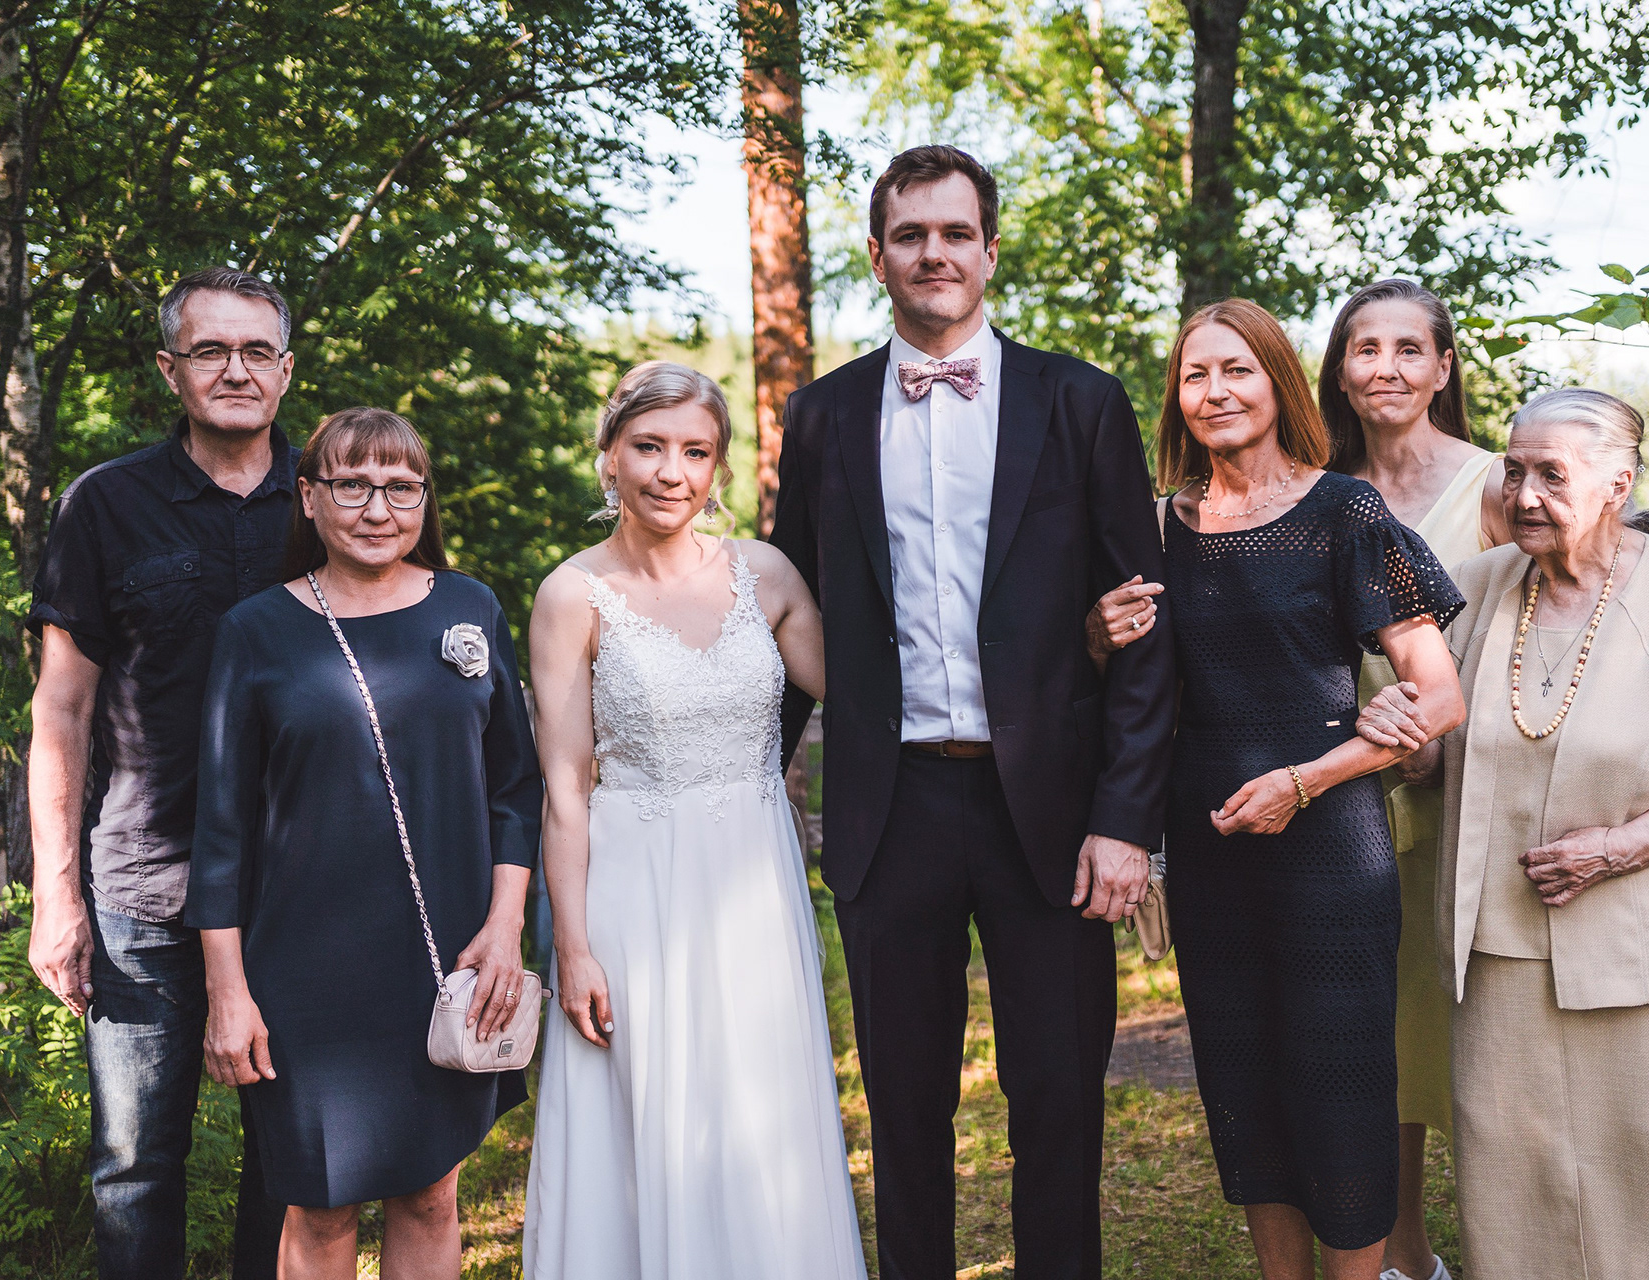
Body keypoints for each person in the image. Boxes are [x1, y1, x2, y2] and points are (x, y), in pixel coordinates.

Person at [769, 145, 1177, 1280]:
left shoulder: (1081, 400)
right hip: (889, 802)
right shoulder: (822, 415)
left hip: (1047, 804)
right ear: (878, 256)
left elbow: (1144, 625)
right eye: (911, 235)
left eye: (956, 233)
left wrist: (1126, 821)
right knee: (903, 1104)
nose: (934, 253)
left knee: (1059, 1093)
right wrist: (746, 794)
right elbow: (783, 609)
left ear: (990, 251)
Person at [1362, 387, 1649, 1280]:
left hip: (1648, 956)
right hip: (1499, 951)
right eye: (1514, 472)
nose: (1524, 495)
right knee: (1514, 1186)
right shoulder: (1474, 587)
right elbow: (1441, 752)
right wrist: (1406, 739)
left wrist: (1614, 849)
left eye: (1551, 476)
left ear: (1616, 485)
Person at [1090, 298, 1467, 1280]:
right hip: (1209, 843)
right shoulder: (1156, 528)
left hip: (1332, 846)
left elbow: (1440, 695)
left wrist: (1306, 781)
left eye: (1237, 370)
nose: (1215, 391)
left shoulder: (1345, 512)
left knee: (1341, 1086)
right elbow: (1124, 691)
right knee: (1243, 1085)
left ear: (1279, 382)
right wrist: (1096, 636)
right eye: (1195, 375)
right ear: (1176, 397)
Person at [519, 361, 863, 1278]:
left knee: (758, 1107)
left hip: (754, 886)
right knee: (646, 1108)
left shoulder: (766, 574)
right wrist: (573, 948)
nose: (672, 472)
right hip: (635, 892)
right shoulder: (570, 595)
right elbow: (564, 788)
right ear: (609, 455)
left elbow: (870, 695)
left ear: (719, 466)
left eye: (695, 451)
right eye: (649, 447)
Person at [185, 408, 542, 1278]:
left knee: (432, 1195)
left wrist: (504, 929)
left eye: (400, 487)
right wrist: (227, 992)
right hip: (306, 970)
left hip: (449, 955)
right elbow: (221, 829)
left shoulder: (470, 606)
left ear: (425, 499)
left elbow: (514, 788)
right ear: (309, 498)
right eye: (352, 485)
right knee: (321, 1207)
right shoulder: (255, 630)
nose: (378, 508)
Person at [24, 266, 291, 1278]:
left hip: (298, 883)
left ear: (286, 370)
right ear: (169, 368)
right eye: (210, 349)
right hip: (143, 883)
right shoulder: (105, 503)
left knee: (294, 1159)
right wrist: (57, 895)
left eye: (256, 350)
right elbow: (62, 708)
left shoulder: (333, 498)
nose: (236, 369)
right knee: (135, 1164)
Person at [1323, 279, 1508, 1280]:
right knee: (1375, 1040)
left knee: (1471, 1035)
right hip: (1343, 796)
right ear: (1339, 371)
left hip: (1470, 798)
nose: (1387, 368)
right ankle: (1405, 1251)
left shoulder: (1493, 488)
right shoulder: (1315, 488)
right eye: (1366, 349)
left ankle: (1512, 1241)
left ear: (1443, 368)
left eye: (1408, 349)